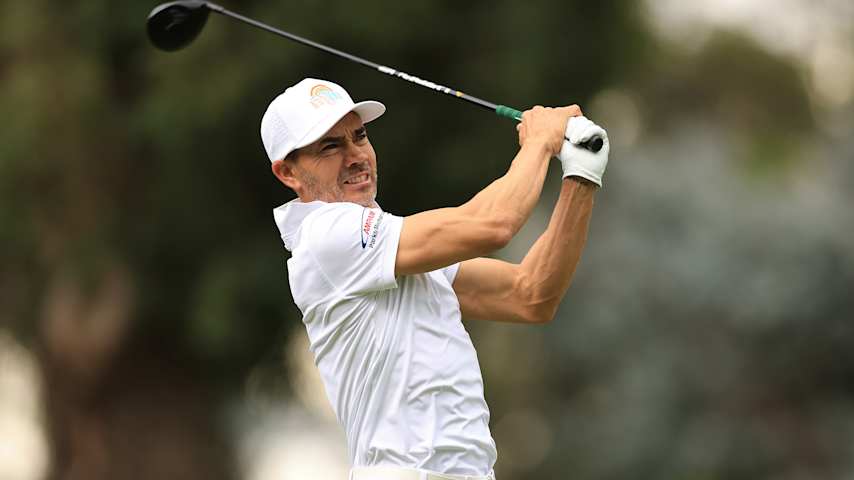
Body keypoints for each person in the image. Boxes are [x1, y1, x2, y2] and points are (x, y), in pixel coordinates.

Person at [261, 78, 609, 480]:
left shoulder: (391, 249)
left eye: (360, 136)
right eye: (330, 147)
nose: (356, 156)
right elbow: (493, 224)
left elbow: (530, 295)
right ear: (288, 172)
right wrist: (539, 143)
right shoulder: (325, 236)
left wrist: (581, 176)